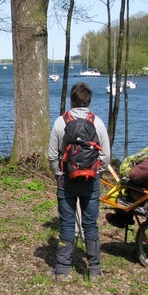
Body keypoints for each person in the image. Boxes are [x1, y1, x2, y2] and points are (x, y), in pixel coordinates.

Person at [47, 82, 111, 282]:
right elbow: (106, 155)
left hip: (67, 179)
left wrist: (59, 172)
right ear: (89, 101)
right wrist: (96, 171)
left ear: (71, 101)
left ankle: (62, 270)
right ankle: (94, 271)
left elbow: (51, 154)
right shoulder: (97, 122)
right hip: (91, 181)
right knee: (90, 224)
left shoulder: (61, 122)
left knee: (67, 223)